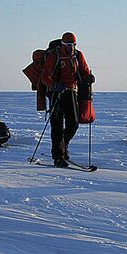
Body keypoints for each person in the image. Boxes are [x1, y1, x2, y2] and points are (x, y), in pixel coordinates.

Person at [41, 32, 95, 167]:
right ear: (63, 44)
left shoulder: (78, 55)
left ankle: (63, 146)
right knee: (57, 126)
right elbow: (44, 77)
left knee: (73, 124)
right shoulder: (54, 55)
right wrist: (54, 85)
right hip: (56, 93)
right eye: (68, 45)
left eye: (73, 45)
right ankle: (58, 156)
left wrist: (89, 78)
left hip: (72, 92)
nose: (71, 48)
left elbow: (84, 71)